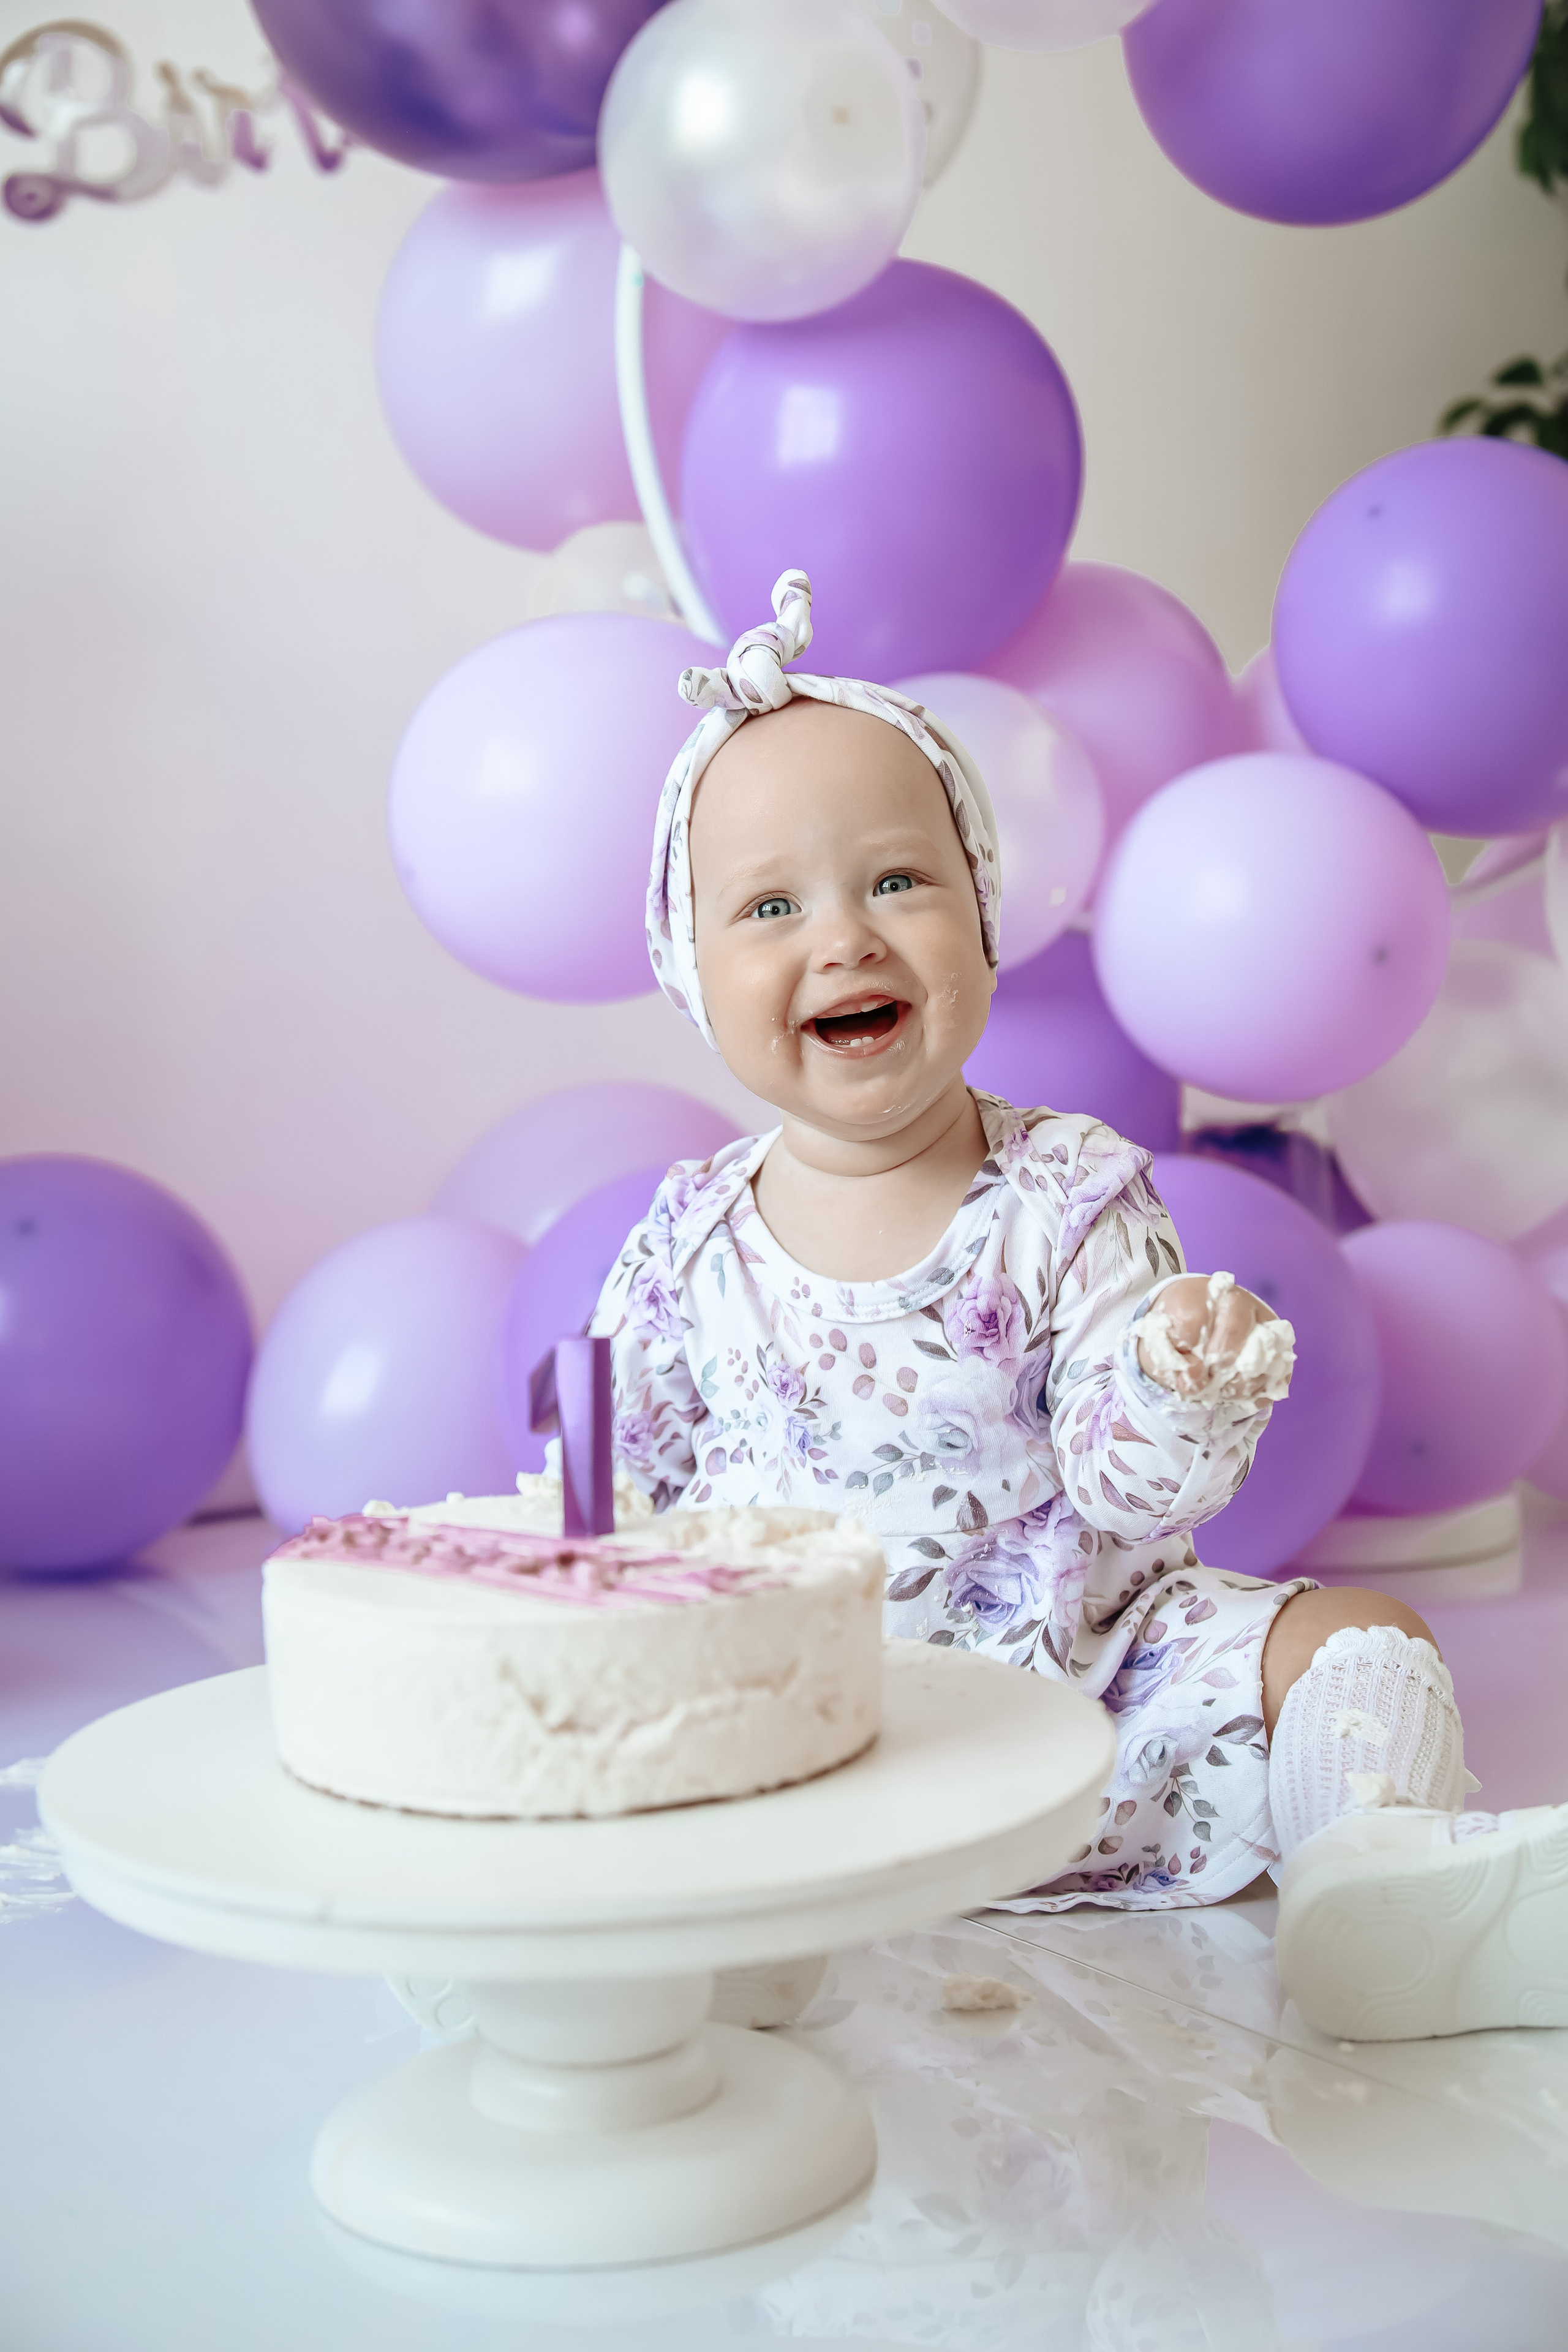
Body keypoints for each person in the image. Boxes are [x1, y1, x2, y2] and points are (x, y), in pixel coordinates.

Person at [594, 571, 1568, 2043]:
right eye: (770, 906)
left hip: (1084, 1733)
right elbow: (622, 1499)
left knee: (1350, 1633)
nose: (845, 937)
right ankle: (648, 1932)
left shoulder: (1067, 1190)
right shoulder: (681, 1241)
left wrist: (1177, 1384)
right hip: (808, 1749)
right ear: (688, 967)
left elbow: (1131, 1483)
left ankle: (1372, 1885)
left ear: (983, 917)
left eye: (896, 881)